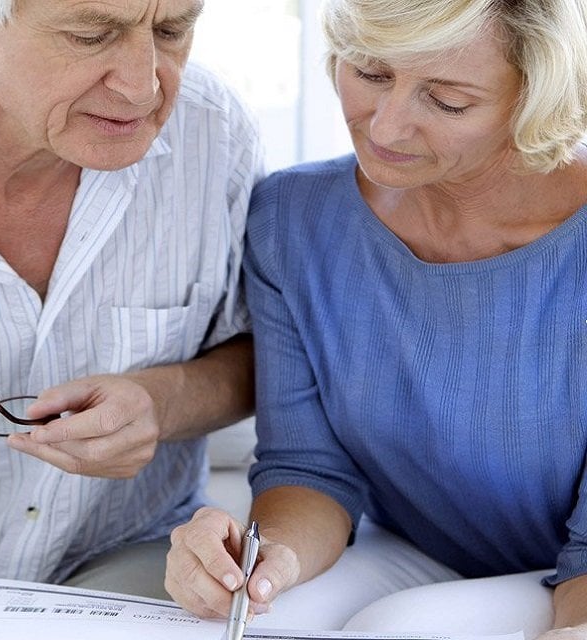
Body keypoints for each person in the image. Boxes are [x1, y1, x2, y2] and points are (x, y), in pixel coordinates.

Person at [165, 0, 587, 637]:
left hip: (574, 572)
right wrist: (264, 559)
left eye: (446, 101)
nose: (385, 129)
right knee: (237, 622)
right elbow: (309, 469)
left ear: (536, 98)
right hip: (417, 550)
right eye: (369, 72)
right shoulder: (291, 217)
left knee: (403, 628)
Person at [0, 0, 263, 598]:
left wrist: (160, 401)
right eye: (91, 35)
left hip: (131, 562)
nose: (142, 87)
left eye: (172, 30)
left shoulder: (213, 132)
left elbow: (265, 351)